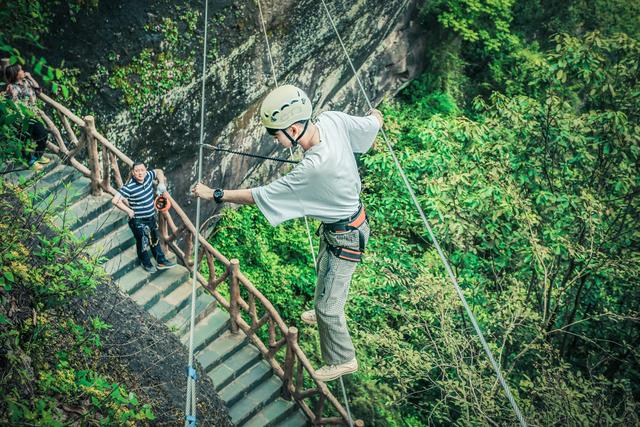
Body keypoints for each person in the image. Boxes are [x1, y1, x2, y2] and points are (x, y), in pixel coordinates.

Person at [192, 84, 383, 382]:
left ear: (293, 129)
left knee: (329, 307)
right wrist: (376, 116)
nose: (275, 140)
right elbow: (370, 125)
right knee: (324, 270)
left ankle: (343, 359)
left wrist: (215, 194)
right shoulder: (331, 120)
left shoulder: (314, 167)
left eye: (276, 134)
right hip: (343, 227)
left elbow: (259, 195)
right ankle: (320, 315)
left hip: (347, 235)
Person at [112, 161, 176, 273]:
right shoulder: (129, 187)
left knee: (154, 239)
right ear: (133, 172)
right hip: (138, 221)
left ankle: (161, 261)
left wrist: (161, 183)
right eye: (137, 171)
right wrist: (128, 210)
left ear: (145, 170)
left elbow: (158, 171)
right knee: (142, 243)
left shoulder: (148, 176)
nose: (140, 173)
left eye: (142, 170)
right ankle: (146, 263)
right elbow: (115, 200)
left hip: (150, 217)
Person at [4, 63, 50, 170]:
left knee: (43, 135)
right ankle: (30, 161)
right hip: (22, 118)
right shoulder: (12, 87)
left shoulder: (27, 81)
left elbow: (38, 90)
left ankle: (37, 156)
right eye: (20, 70)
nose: (23, 71)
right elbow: (13, 101)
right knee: (24, 139)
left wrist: (30, 77)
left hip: (33, 115)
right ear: (16, 74)